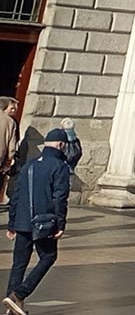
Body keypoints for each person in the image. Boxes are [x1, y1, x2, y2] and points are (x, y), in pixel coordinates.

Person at [5, 126, 71, 314]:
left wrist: (12, 222)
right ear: (61, 145)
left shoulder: (30, 165)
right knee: (48, 257)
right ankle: (19, 294)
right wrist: (60, 224)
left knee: (19, 263)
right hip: (44, 222)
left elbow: (16, 194)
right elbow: (60, 198)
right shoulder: (60, 167)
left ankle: (12, 306)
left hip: (23, 221)